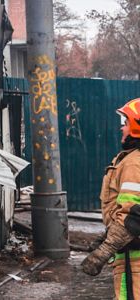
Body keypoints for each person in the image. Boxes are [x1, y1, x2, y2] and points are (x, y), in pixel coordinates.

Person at [81, 98, 140, 299]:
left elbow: (133, 216)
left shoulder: (134, 164)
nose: (121, 128)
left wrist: (104, 251)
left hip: (135, 261)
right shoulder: (130, 159)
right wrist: (105, 237)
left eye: (125, 123)